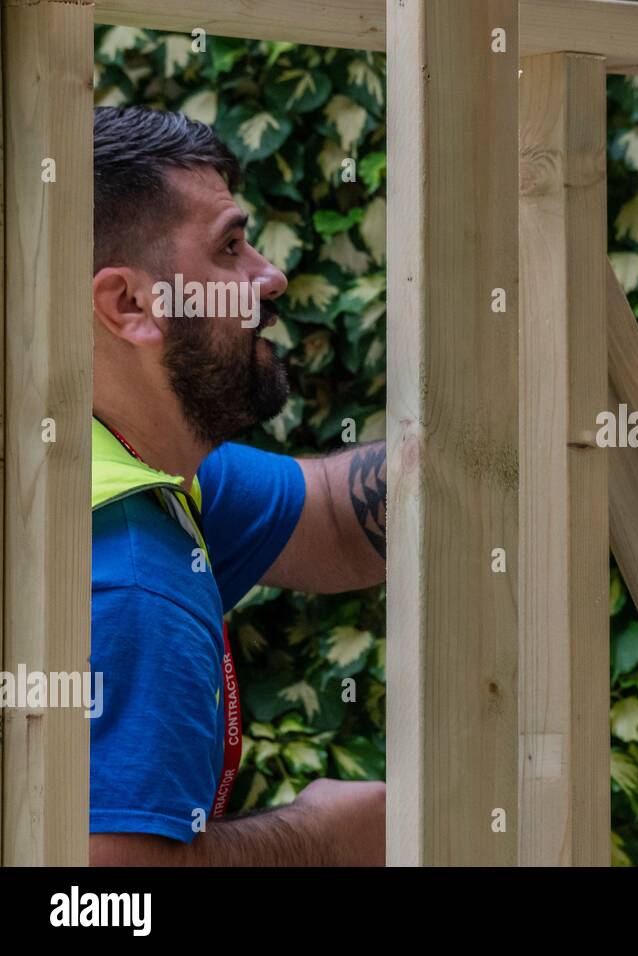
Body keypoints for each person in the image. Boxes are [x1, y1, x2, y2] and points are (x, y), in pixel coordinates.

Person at [89, 106, 385, 866]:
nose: (271, 274)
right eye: (229, 248)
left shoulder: (99, 456)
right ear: (130, 305)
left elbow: (335, 519)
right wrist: (322, 841)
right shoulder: (132, 582)